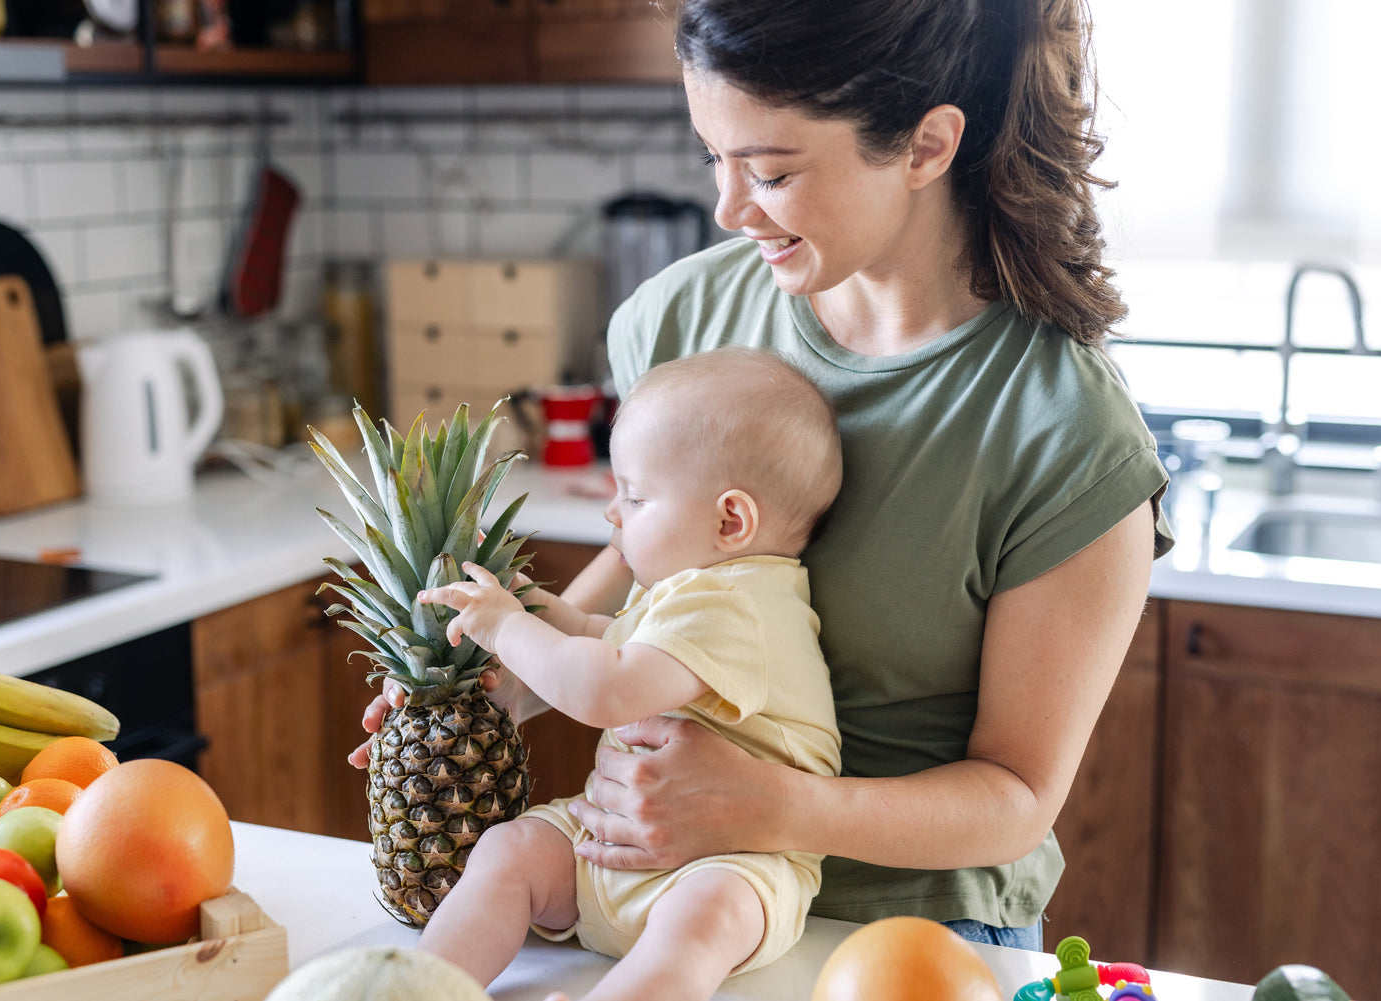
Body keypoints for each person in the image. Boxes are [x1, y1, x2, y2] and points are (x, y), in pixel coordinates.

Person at [356, 0, 1172, 956]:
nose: (729, 208)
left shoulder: (1064, 431)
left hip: (918, 934)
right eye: (715, 156)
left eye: (772, 171)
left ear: (925, 146)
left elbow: (1015, 801)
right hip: (651, 886)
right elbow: (643, 561)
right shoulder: (682, 316)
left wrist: (773, 805)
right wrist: (512, 677)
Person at [411, 347, 845, 1001]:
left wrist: (506, 626)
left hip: (733, 860)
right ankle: (423, 987)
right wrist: (537, 607)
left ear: (730, 520)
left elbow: (607, 686)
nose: (613, 515)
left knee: (705, 921)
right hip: (611, 843)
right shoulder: (688, 591)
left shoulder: (735, 605)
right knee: (510, 852)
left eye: (636, 496)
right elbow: (609, 641)